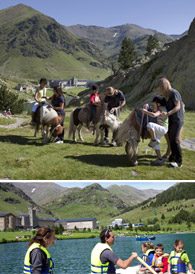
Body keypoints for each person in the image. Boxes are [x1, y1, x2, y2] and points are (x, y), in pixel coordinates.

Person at [159, 78, 184, 168]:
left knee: (175, 140)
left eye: (161, 88)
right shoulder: (168, 96)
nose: (160, 90)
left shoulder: (174, 93)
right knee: (170, 138)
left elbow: (178, 106)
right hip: (172, 120)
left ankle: (179, 161)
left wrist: (168, 114)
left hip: (177, 119)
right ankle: (172, 157)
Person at [142, 95, 168, 166]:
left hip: (162, 128)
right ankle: (160, 159)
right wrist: (149, 109)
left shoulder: (161, 109)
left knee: (149, 124)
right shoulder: (162, 109)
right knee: (155, 145)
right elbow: (155, 112)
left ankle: (153, 140)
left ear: (158, 104)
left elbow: (154, 115)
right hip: (161, 129)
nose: (153, 106)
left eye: (154, 105)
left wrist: (145, 111)